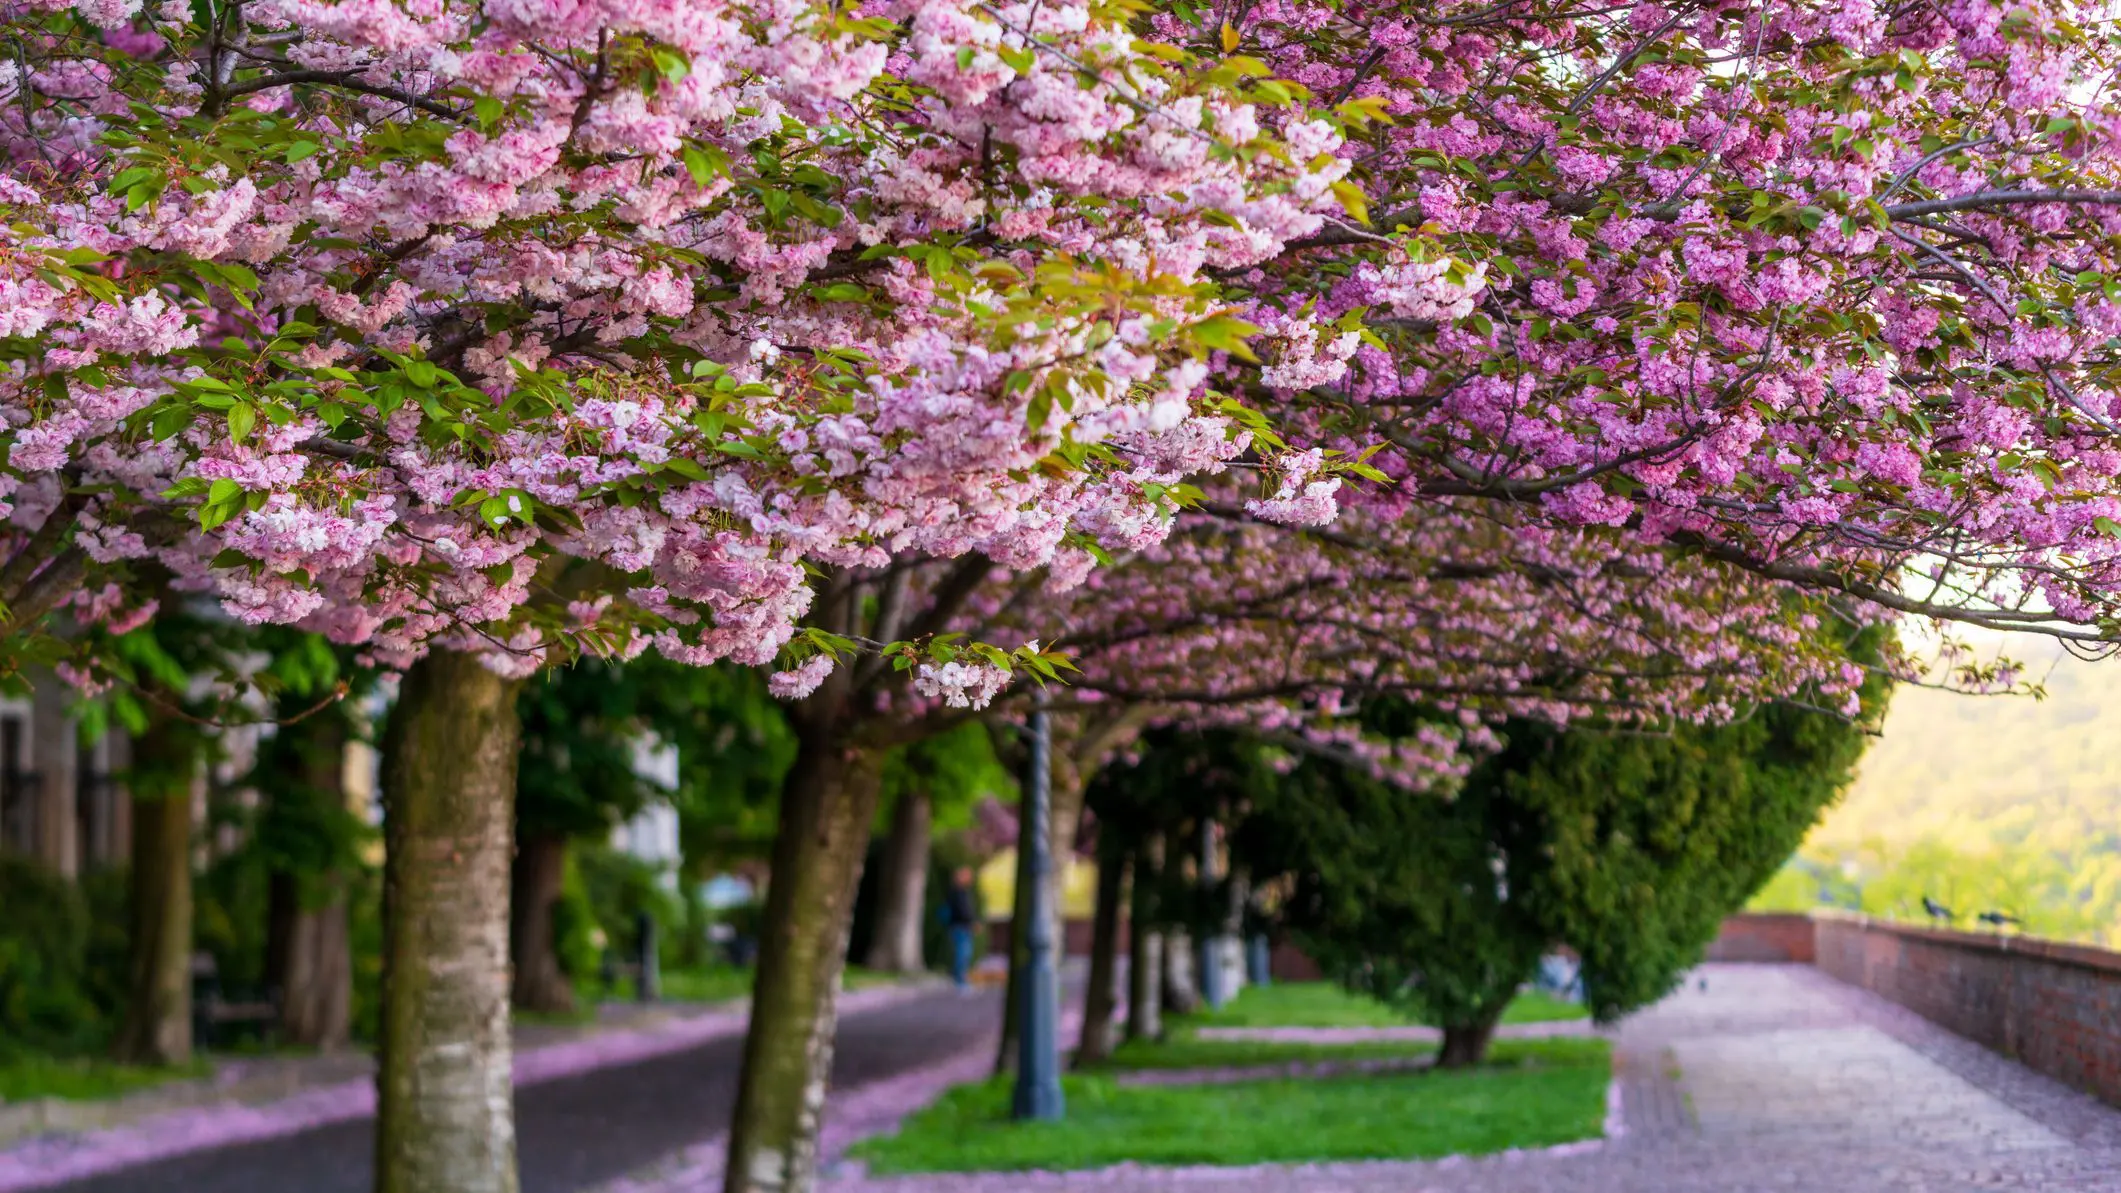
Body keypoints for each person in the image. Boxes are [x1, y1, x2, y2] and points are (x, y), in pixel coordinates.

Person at [942, 867, 979, 990]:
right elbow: (963, 911)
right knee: (962, 954)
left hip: (961, 927)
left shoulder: (959, 892)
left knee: (963, 954)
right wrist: (972, 922)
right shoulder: (958, 893)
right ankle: (959, 981)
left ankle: (960, 979)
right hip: (960, 927)